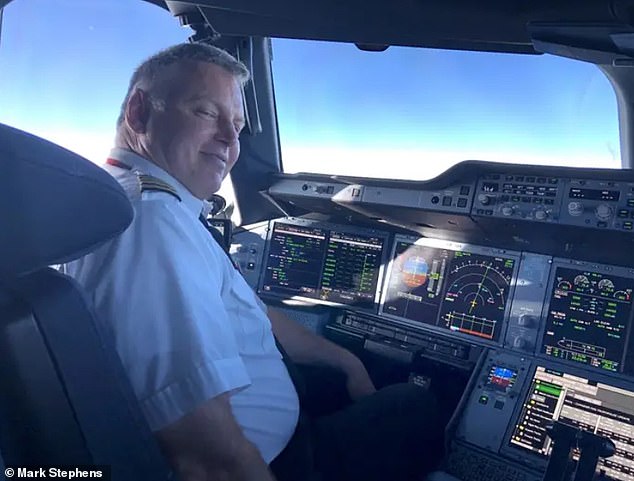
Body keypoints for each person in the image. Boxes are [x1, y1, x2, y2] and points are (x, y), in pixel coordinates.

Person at [62, 42, 442, 481]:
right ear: (139, 112)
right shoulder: (153, 224)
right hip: (277, 461)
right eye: (205, 112)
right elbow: (208, 460)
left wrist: (345, 360)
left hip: (269, 422)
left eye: (237, 125)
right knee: (415, 406)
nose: (229, 139)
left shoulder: (127, 196)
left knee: (358, 376)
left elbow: (253, 316)